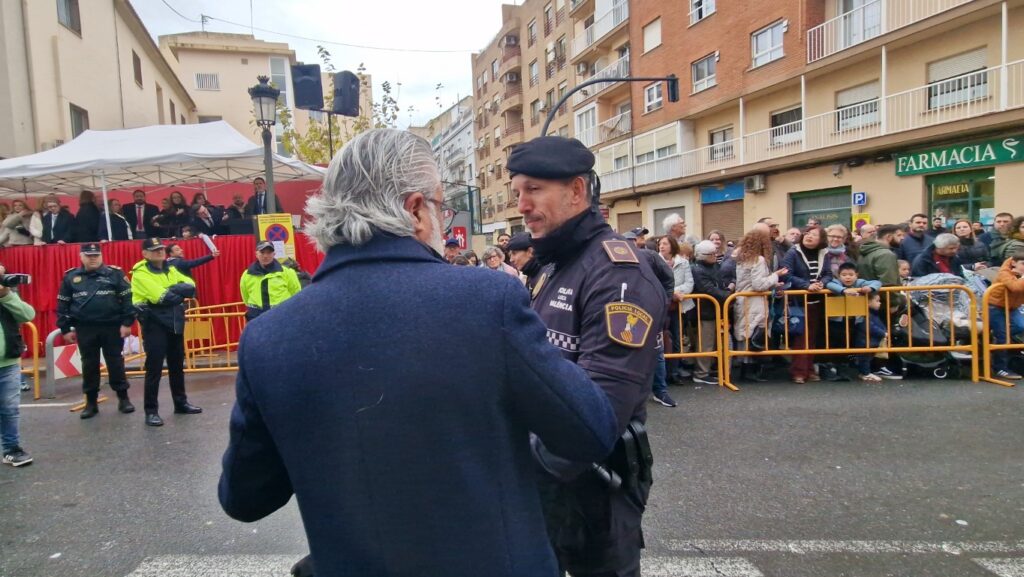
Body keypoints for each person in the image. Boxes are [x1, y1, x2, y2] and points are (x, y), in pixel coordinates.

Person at [219, 128, 619, 577]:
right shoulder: (487, 301)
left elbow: (245, 499)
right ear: (415, 210)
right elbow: (590, 430)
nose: (442, 220)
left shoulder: (268, 337)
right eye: (440, 206)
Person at [510, 135, 664, 577]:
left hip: (595, 487)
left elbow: (599, 413)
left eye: (534, 189)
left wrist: (520, 466)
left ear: (577, 191)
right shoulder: (556, 262)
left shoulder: (616, 273)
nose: (522, 205)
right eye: (517, 192)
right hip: (547, 478)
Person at [56, 243, 136, 418]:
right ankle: (91, 403)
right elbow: (63, 304)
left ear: (101, 256)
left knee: (115, 363)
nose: (93, 258)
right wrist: (65, 328)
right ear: (81, 257)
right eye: (89, 255)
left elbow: (128, 300)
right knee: (89, 365)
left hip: (111, 326)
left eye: (96, 255)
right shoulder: (71, 277)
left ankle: (123, 398)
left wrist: (127, 323)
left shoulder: (115, 274)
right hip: (85, 328)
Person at [130, 238, 202, 427]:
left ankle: (180, 403)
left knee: (177, 365)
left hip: (174, 322)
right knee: (154, 369)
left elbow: (191, 286)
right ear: (145, 254)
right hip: (154, 324)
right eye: (154, 250)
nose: (159, 252)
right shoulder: (140, 273)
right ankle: (151, 411)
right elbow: (162, 297)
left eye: (161, 249)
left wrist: (174, 291)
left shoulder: (170, 268)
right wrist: (177, 291)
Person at [732, 227, 787, 382]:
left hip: (743, 300)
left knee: (745, 333)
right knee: (754, 333)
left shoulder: (742, 259)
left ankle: (745, 370)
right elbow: (758, 284)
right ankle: (750, 371)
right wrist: (775, 276)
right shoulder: (758, 260)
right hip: (754, 301)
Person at [0, 264, 36, 467]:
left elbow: (28, 314)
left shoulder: (5, 295)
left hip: (8, 362)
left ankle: (11, 449)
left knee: (9, 409)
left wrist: (6, 295)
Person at [782, 225, 828, 384]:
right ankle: (799, 371)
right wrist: (806, 285)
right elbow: (786, 274)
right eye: (807, 233)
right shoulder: (793, 252)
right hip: (798, 301)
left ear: (821, 239)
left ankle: (809, 369)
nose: (809, 236)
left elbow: (828, 273)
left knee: (812, 337)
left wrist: (822, 283)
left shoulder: (823, 253)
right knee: (801, 338)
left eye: (814, 234)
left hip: (816, 301)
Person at [691, 240, 731, 386]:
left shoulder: (713, 266)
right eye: (712, 254)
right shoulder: (697, 270)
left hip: (714, 309)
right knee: (705, 343)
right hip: (705, 311)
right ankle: (701, 373)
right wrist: (728, 295)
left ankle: (707, 370)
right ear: (704, 255)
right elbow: (708, 289)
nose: (716, 255)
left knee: (712, 343)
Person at [240, 241, 302, 320]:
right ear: (256, 254)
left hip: (281, 316)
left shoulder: (287, 273)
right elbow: (245, 296)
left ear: (274, 254)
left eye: (269, 252)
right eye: (262, 252)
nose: (265, 256)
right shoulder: (247, 274)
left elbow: (296, 294)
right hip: (256, 317)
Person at [987, 253, 1024, 380]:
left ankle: (995, 338)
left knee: (1020, 326)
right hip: (995, 307)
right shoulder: (1005, 272)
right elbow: (1015, 287)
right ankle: (1000, 368)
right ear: (1013, 263)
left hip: (1013, 307)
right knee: (1002, 337)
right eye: (1023, 264)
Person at [852, 292, 889, 382]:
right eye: (877, 301)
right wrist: (882, 333)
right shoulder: (864, 314)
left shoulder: (873, 313)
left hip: (871, 340)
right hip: (865, 341)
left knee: (868, 358)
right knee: (865, 358)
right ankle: (865, 373)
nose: (880, 303)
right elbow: (869, 326)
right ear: (868, 302)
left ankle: (866, 372)